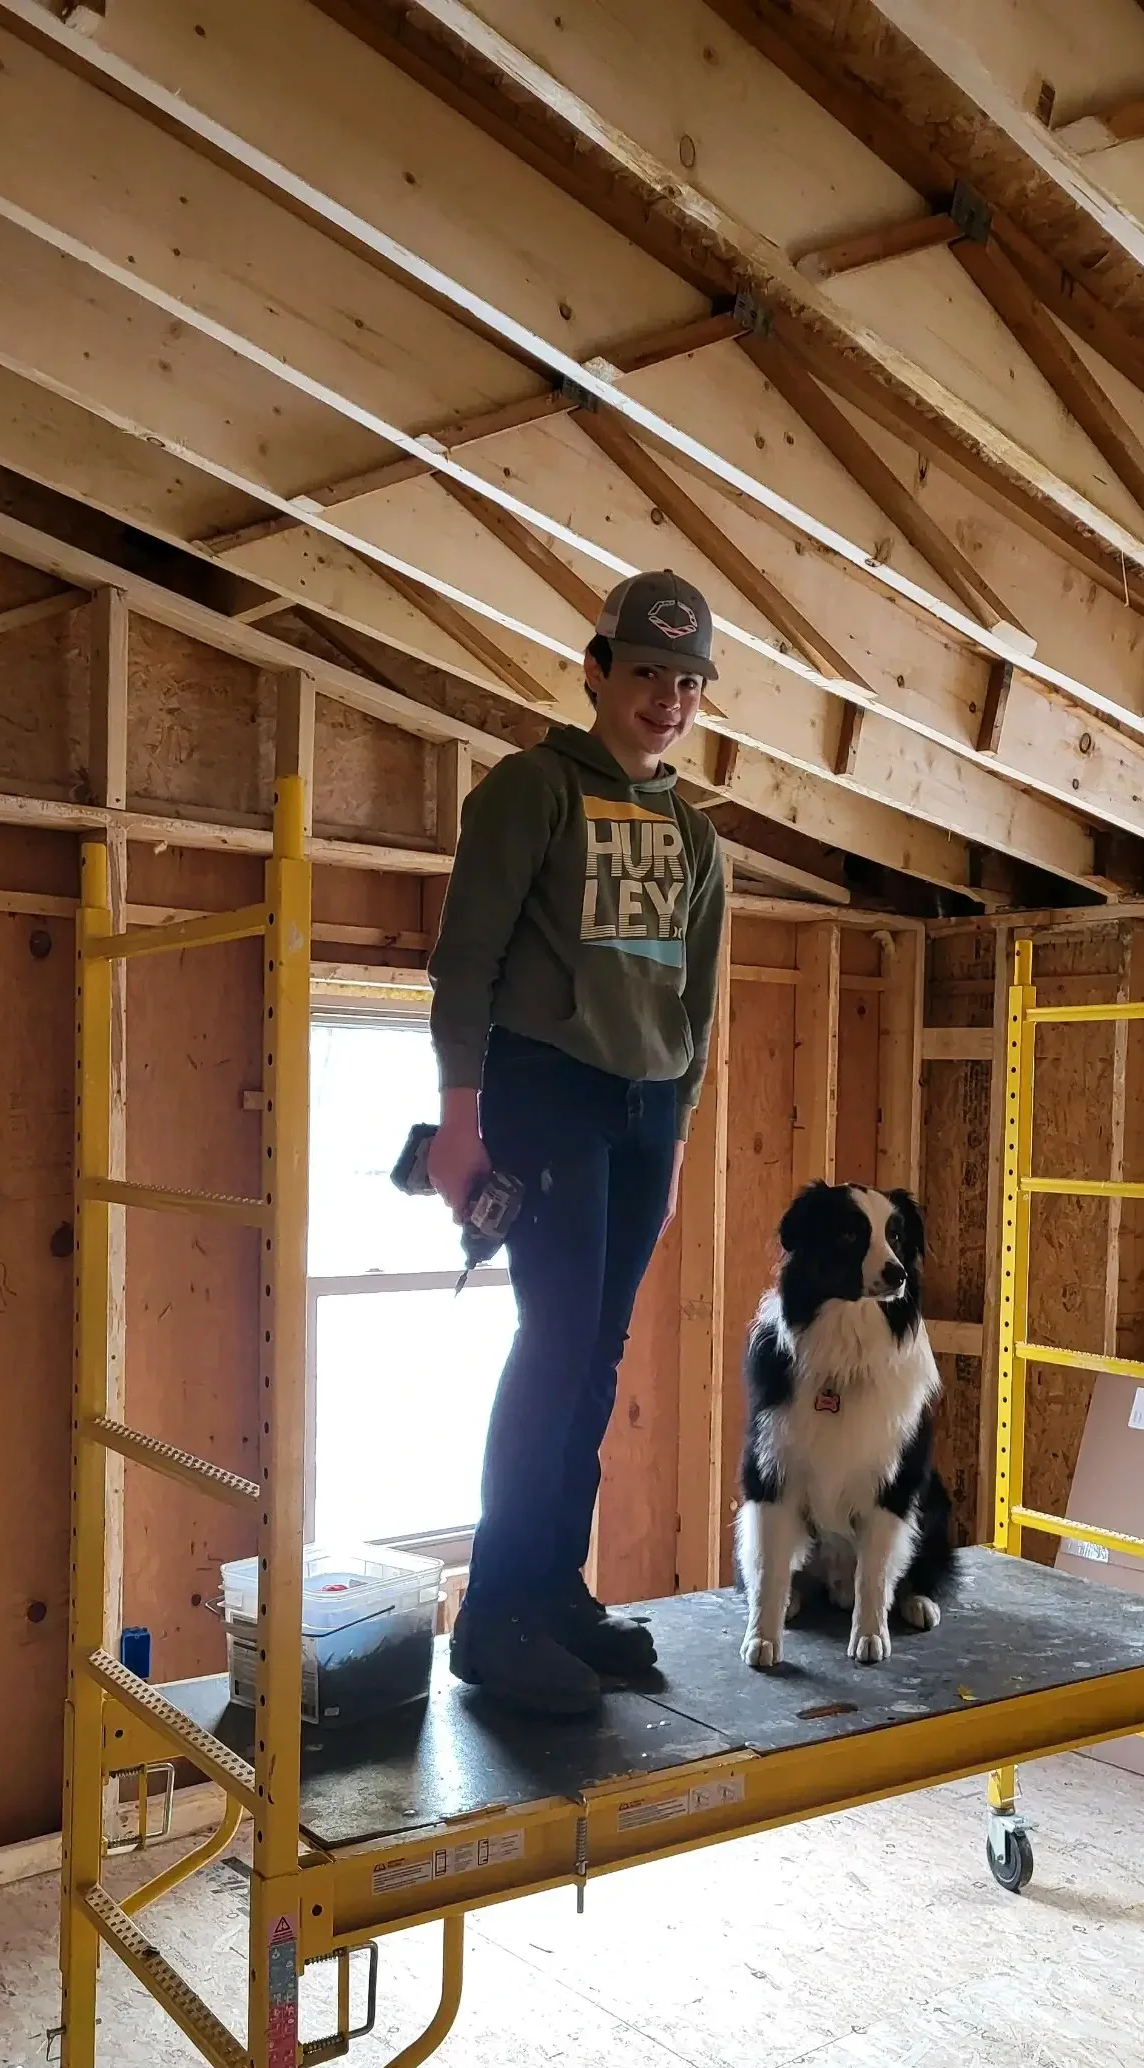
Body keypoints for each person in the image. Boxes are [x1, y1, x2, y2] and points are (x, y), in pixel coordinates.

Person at [427, 571, 726, 1716]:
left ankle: (554, 1592)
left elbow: (695, 1006)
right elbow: (466, 963)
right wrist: (459, 1119)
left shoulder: (695, 838)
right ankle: (493, 1615)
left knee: (595, 1356)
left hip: (645, 1111)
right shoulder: (531, 792)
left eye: (686, 681)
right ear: (597, 668)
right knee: (552, 1347)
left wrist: (681, 1132)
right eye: (646, 673)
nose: (665, 700)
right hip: (544, 1091)